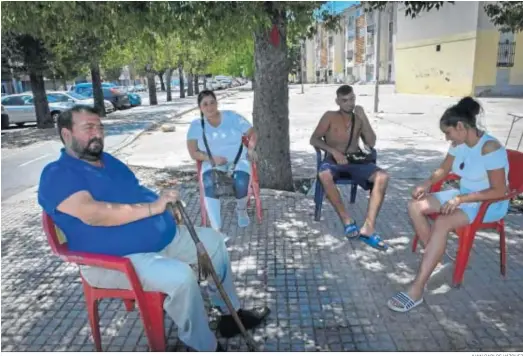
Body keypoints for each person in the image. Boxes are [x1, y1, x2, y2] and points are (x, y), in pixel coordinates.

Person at [38, 105, 269, 351]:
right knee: (182, 277)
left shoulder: (109, 161)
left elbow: (138, 192)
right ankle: (204, 345)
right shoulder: (56, 174)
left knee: (214, 243)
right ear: (66, 135)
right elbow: (94, 215)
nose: (98, 134)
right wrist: (153, 209)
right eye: (88, 128)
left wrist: (165, 205)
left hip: (161, 241)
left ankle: (228, 316)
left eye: (100, 127)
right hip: (115, 261)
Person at [388, 97, 510, 313]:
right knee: (415, 205)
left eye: (448, 132)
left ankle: (417, 289)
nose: (447, 138)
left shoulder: (490, 148)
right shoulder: (459, 144)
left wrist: (460, 200)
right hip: (463, 194)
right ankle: (434, 254)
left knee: (442, 222)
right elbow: (443, 170)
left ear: (461, 127)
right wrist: (426, 183)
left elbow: (500, 190)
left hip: (487, 203)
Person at [310, 85, 390, 250]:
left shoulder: (358, 117)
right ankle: (347, 220)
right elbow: (314, 139)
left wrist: (364, 118)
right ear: (338, 101)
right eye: (345, 100)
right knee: (324, 175)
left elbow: (371, 143)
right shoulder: (329, 116)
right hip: (333, 159)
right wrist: (333, 151)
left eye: (352, 99)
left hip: (355, 160)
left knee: (383, 177)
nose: (349, 103)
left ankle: (368, 228)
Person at [187, 90, 257, 231]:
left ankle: (241, 210)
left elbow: (252, 132)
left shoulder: (232, 117)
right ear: (200, 107)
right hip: (212, 163)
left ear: (217, 102)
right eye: (205, 104)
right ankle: (216, 228)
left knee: (241, 180)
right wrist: (211, 159)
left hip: (238, 159)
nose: (209, 107)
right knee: (208, 182)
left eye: (212, 102)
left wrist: (250, 148)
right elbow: (193, 152)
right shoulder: (196, 126)